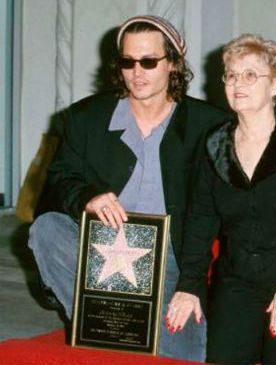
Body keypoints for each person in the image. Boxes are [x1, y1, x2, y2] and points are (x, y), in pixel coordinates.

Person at [28, 15, 225, 361]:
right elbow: (59, 178)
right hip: (100, 249)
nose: (137, 72)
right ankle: (100, 319)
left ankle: (112, 325)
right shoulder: (86, 118)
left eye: (149, 61)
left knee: (186, 356)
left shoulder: (207, 124)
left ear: (174, 64)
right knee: (46, 230)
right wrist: (88, 196)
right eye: (127, 62)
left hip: (171, 260)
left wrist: (191, 285)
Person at [165, 34, 276, 365]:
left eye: (250, 75)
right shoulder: (215, 145)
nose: (237, 83)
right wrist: (190, 283)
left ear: (275, 84)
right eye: (231, 75)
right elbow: (202, 218)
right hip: (239, 278)